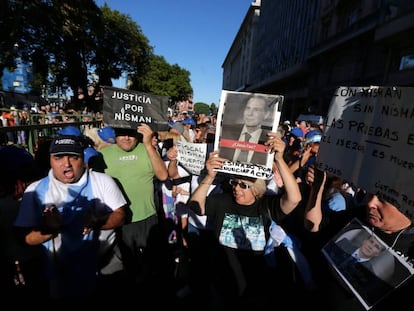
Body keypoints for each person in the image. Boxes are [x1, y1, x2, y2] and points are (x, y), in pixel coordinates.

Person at [187, 131, 302, 309]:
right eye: (235, 183)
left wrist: (279, 159)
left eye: (244, 185)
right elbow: (196, 206)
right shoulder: (223, 201)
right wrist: (209, 176)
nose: (237, 189)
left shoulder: (265, 206)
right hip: (222, 279)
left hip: (255, 283)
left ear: (256, 190)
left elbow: (294, 198)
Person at [13, 135, 127, 304]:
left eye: (74, 157)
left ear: (84, 160)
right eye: (58, 157)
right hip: (59, 276)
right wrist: (50, 230)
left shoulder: (103, 181)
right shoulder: (35, 190)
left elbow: (121, 215)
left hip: (104, 266)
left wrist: (98, 222)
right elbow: (25, 237)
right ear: (50, 160)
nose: (66, 164)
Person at [303, 166, 414, 310]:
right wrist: (316, 189)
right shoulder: (359, 216)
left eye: (383, 198)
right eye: (370, 193)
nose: (370, 203)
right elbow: (315, 226)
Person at [99, 124, 170, 300]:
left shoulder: (147, 149)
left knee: (152, 266)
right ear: (114, 134)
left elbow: (163, 176)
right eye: (121, 134)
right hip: (118, 222)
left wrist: (148, 145)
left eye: (130, 134)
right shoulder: (103, 155)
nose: (126, 138)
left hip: (147, 219)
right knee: (124, 268)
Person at [219, 94, 273, 165]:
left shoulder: (269, 140)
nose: (250, 113)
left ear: (266, 114)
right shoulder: (227, 132)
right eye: (248, 108)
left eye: (256, 110)